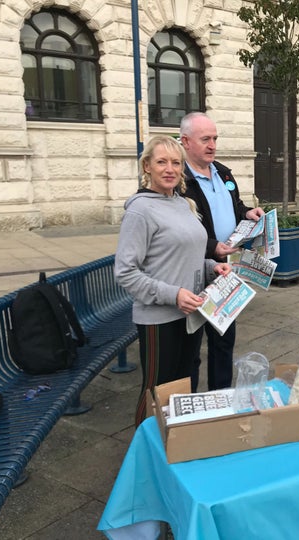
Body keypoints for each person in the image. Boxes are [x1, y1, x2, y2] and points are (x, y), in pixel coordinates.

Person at [115, 135, 231, 427]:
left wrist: (211, 267)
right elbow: (125, 271)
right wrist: (173, 294)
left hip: (191, 312)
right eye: (161, 162)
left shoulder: (183, 203)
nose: (169, 169)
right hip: (159, 318)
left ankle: (177, 443)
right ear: (147, 167)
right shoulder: (140, 211)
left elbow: (186, 254)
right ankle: (145, 453)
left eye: (176, 163)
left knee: (183, 387)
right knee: (157, 391)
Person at [179, 112, 265, 392]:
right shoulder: (178, 180)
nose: (212, 145)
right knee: (191, 344)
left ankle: (220, 396)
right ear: (186, 142)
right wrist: (211, 245)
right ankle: (190, 403)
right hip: (194, 268)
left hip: (226, 268)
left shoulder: (223, 172)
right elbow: (177, 229)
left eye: (214, 138)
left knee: (224, 336)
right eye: (205, 139)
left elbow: (235, 205)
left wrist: (247, 213)